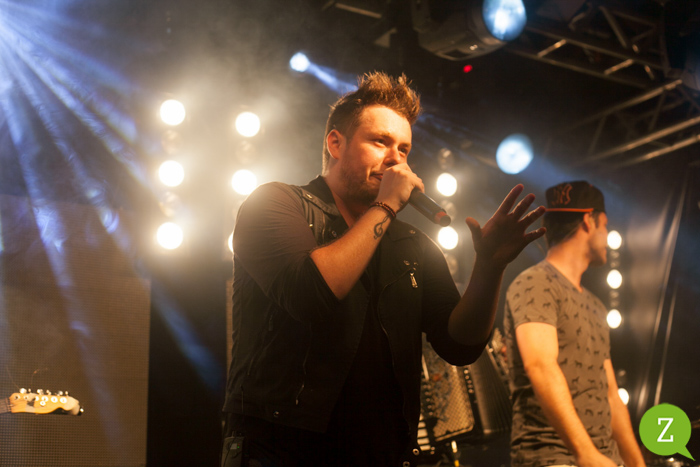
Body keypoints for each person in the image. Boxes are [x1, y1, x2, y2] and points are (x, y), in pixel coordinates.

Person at [221, 71, 546, 467]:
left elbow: (460, 345)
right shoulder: (276, 203)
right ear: (336, 143)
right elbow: (310, 294)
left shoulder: (411, 244)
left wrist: (490, 267)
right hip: (281, 449)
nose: (395, 159)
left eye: (404, 149)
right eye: (380, 141)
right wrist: (388, 204)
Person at [503, 181, 646, 467]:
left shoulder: (595, 305)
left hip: (604, 459)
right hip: (553, 457)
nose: (607, 236)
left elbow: (611, 397)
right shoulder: (535, 283)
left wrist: (637, 464)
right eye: (605, 225)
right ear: (588, 221)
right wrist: (586, 454)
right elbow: (540, 366)